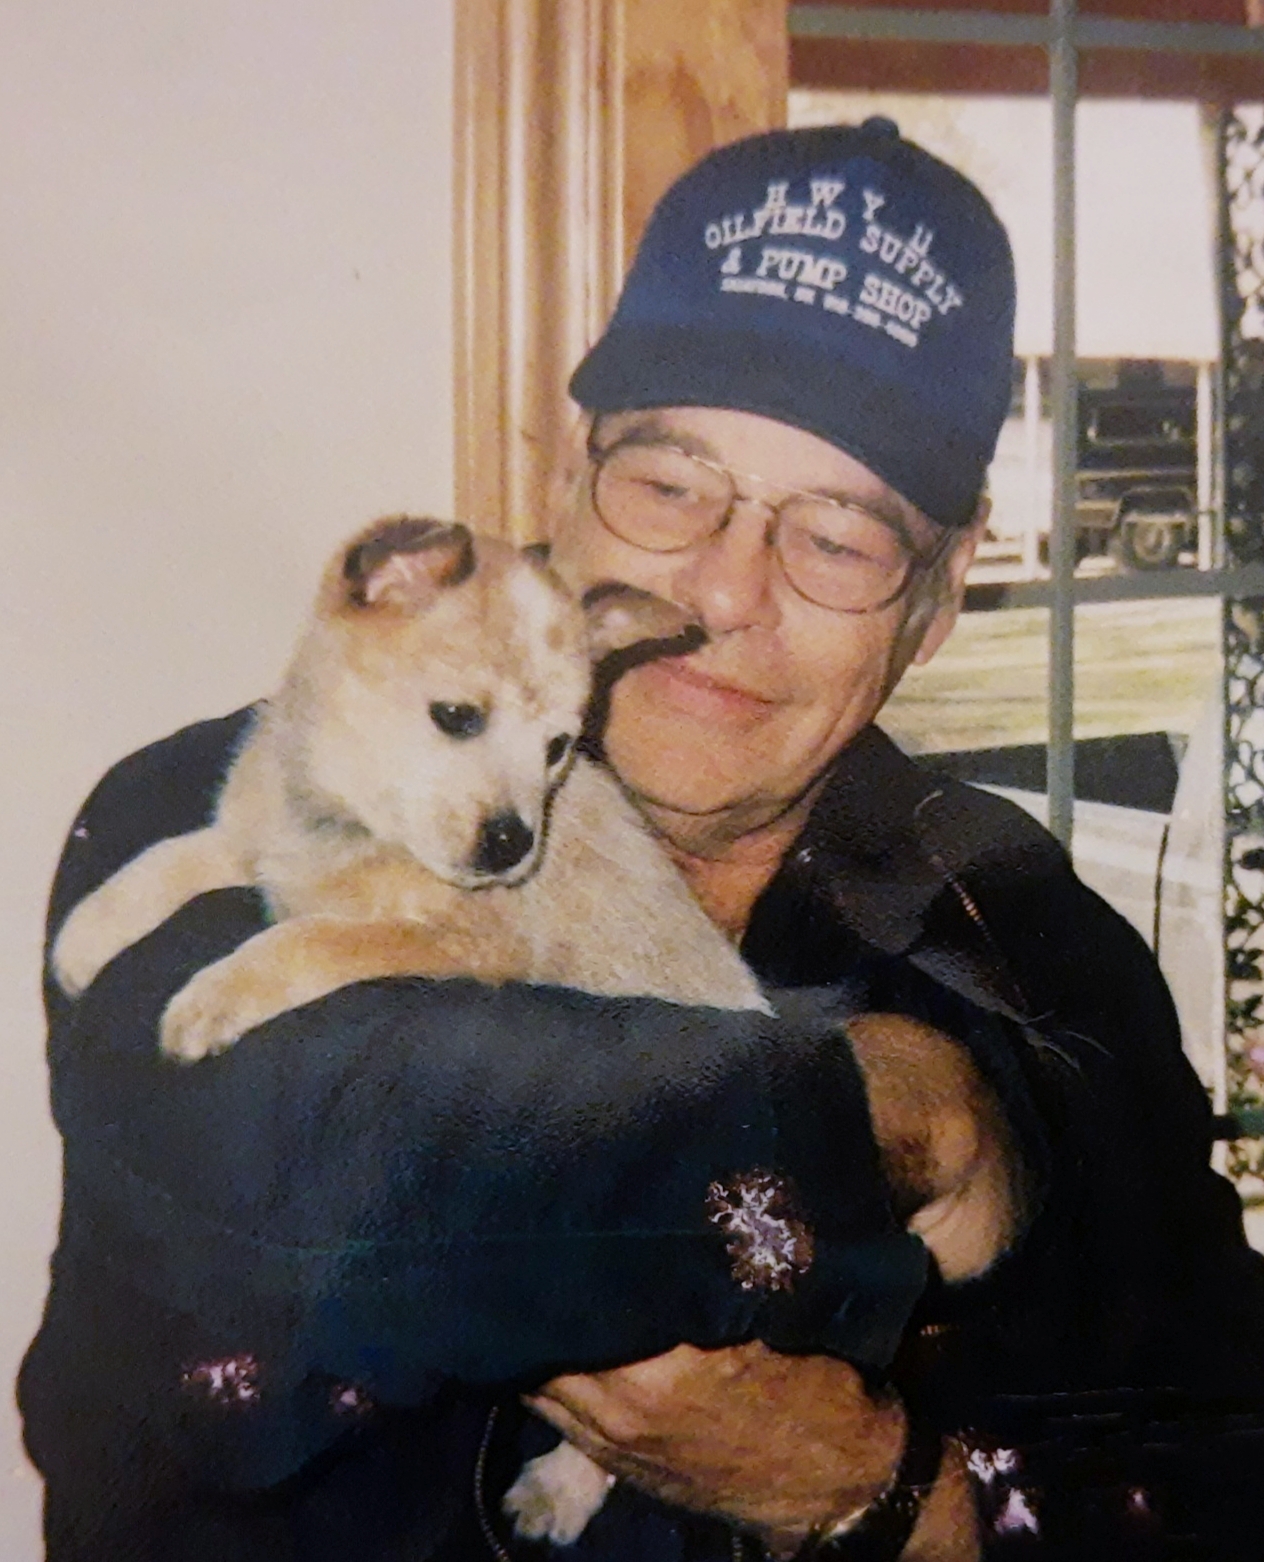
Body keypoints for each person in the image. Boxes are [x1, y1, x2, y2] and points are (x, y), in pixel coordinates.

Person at [20, 119, 1264, 1562]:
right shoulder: (229, 802)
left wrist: (884, 1486)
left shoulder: (1030, 938)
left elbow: (1228, 1466)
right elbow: (327, 1178)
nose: (726, 592)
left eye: (838, 539)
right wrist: (906, 1118)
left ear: (937, 600)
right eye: (670, 486)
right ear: (569, 475)